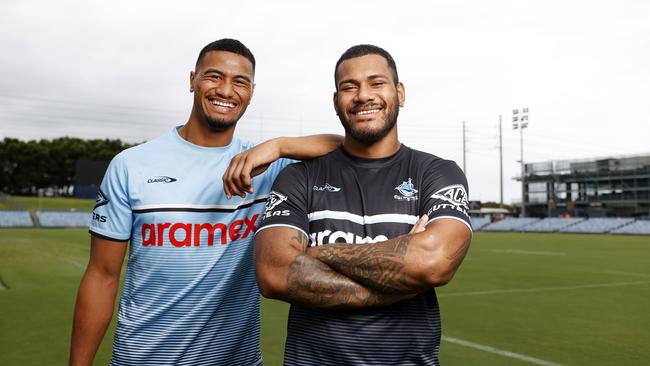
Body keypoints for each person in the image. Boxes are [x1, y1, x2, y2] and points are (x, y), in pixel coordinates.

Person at [69, 38, 341, 366]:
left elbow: (350, 148)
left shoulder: (267, 168)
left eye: (240, 82)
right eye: (214, 76)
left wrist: (279, 146)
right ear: (192, 80)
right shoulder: (131, 165)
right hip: (142, 358)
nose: (226, 90)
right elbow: (101, 275)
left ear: (251, 92)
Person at [254, 44, 473, 365]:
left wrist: (312, 255)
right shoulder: (298, 176)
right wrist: (399, 280)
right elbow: (275, 274)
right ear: (335, 101)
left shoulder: (436, 172)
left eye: (376, 83)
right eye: (349, 86)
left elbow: (433, 262)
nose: (363, 95)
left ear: (399, 92)